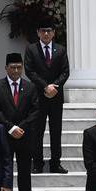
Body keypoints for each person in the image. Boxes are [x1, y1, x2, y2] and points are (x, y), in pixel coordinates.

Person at [0, 52, 42, 191]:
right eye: (13, 67)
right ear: (6, 68)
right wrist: (11, 127)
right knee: (5, 174)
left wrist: (21, 127)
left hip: (25, 137)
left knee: (25, 176)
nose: (16, 70)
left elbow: (36, 110)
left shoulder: (30, 87)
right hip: (5, 136)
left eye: (19, 67)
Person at [24, 22, 69, 173]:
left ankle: (56, 163)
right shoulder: (31, 49)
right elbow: (30, 71)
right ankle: (37, 163)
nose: (46, 34)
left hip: (56, 96)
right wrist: (45, 86)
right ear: (38, 33)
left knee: (56, 131)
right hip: (38, 96)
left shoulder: (61, 50)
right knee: (37, 131)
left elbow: (65, 72)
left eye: (49, 31)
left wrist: (54, 86)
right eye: (43, 31)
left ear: (53, 33)